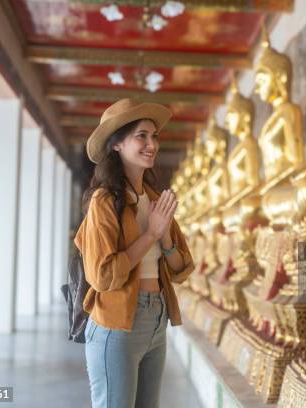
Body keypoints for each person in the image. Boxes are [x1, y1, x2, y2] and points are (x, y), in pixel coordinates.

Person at [73, 98, 195, 408]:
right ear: (116, 144)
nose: (151, 143)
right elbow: (102, 277)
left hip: (157, 318)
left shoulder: (155, 199)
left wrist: (165, 238)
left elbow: (182, 268)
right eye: (141, 135)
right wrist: (150, 234)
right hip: (117, 323)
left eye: (154, 136)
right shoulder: (103, 202)